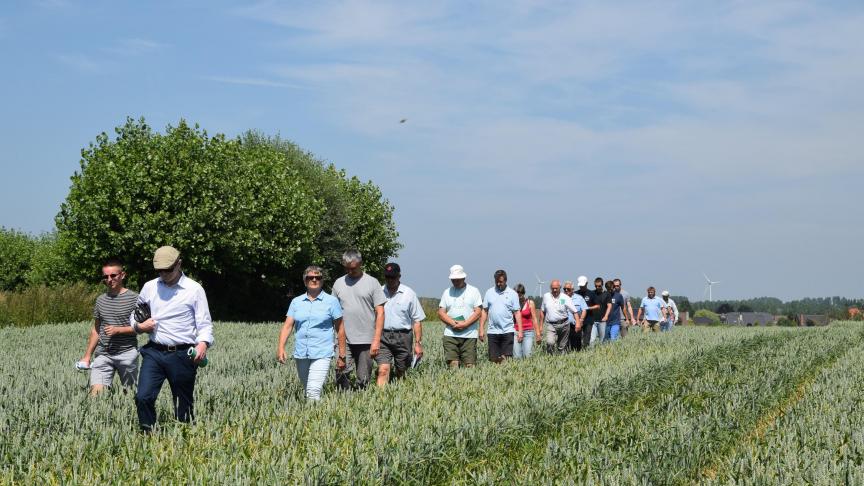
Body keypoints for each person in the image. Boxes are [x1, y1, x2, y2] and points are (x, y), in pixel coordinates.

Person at [133, 246, 214, 432]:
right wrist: (139, 326)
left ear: (179, 264)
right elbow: (135, 315)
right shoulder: (149, 287)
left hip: (182, 354)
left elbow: (204, 323)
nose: (163, 273)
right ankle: (148, 435)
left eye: (168, 269)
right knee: (143, 397)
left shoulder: (194, 289)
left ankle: (184, 439)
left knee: (182, 403)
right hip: (154, 351)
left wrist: (203, 344)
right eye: (159, 270)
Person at [277, 266, 345, 401]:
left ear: (322, 280)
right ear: (305, 281)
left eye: (318, 277)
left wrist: (342, 354)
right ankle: (311, 416)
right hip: (301, 352)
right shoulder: (296, 302)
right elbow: (287, 326)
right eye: (310, 277)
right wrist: (281, 348)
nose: (314, 280)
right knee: (307, 387)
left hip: (322, 352)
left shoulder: (331, 302)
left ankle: (312, 418)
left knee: (313, 391)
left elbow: (341, 328)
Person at [78, 258, 139, 396]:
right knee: (96, 395)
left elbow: (143, 327)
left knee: (128, 395)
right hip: (103, 354)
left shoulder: (135, 298)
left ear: (122, 275)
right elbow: (96, 329)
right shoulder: (100, 300)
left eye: (113, 275)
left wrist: (119, 330)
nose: (109, 279)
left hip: (127, 353)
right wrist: (87, 356)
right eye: (105, 276)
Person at [331, 250, 386, 391]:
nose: (350, 270)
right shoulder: (338, 283)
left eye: (353, 268)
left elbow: (380, 313)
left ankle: (361, 403)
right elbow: (332, 312)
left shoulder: (372, 283)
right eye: (347, 267)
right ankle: (342, 403)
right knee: (341, 373)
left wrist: (376, 340)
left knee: (363, 379)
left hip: (366, 340)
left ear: (360, 264)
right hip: (343, 339)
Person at [377, 262, 425, 386]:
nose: (390, 280)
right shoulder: (378, 292)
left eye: (393, 277)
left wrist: (418, 344)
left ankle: (399, 394)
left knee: (401, 371)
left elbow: (417, 320)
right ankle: (380, 399)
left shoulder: (409, 294)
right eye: (387, 277)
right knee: (383, 370)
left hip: (403, 336)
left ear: (399, 276)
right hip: (383, 336)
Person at [438, 264, 483, 368]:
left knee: (470, 365)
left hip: (469, 335)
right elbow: (441, 312)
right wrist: (453, 324)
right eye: (453, 279)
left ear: (464, 277)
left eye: (457, 279)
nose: (455, 281)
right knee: (452, 364)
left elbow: (478, 312)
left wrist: (465, 324)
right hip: (450, 333)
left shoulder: (474, 291)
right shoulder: (447, 292)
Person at [480, 270, 522, 363]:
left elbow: (517, 313)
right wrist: (481, 329)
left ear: (506, 281)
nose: (499, 284)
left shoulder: (513, 294)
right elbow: (484, 311)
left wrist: (520, 331)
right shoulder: (489, 292)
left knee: (505, 359)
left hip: (508, 330)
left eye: (501, 282)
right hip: (492, 331)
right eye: (497, 282)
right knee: (494, 360)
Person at [539, 280, 582, 354]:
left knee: (562, 346)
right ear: (550, 288)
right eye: (553, 288)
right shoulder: (546, 296)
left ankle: (560, 359)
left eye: (556, 288)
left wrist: (578, 323)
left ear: (560, 288)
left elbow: (574, 311)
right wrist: (540, 326)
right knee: (550, 342)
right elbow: (542, 311)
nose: (554, 290)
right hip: (551, 324)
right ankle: (550, 358)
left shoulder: (566, 298)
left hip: (564, 324)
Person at [513, 283, 539, 358]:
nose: (518, 296)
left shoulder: (530, 303)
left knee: (527, 354)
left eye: (520, 294)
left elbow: (534, 318)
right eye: (516, 294)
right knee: (517, 356)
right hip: (516, 331)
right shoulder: (512, 304)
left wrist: (538, 334)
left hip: (528, 331)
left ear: (523, 293)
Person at [564, 279, 589, 352]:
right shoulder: (561, 298)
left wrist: (581, 320)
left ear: (572, 289)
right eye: (564, 289)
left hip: (575, 324)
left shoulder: (579, 298)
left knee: (576, 343)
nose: (566, 290)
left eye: (568, 289)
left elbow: (584, 309)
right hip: (564, 324)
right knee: (565, 344)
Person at [589, 277, 608, 345]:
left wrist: (606, 316)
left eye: (599, 286)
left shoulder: (606, 294)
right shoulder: (591, 293)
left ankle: (602, 353)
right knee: (592, 340)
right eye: (596, 286)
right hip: (593, 321)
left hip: (602, 320)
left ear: (602, 285)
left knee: (602, 340)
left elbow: (609, 306)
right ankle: (591, 354)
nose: (597, 287)